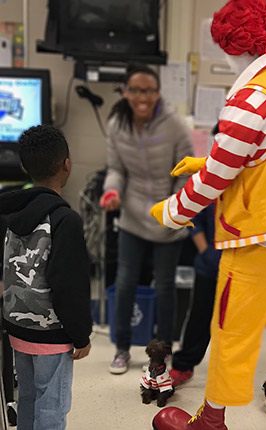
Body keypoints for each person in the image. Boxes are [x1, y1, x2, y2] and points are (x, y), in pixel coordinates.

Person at [150, 1, 266, 429]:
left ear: (237, 44)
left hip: (259, 242)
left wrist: (173, 212)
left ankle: (211, 421)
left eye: (225, 47)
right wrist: (210, 162)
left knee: (232, 333)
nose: (225, 58)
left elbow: (214, 180)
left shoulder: (254, 96)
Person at [100, 64, 193, 375]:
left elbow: (186, 173)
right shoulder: (116, 124)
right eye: (136, 90)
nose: (143, 97)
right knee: (125, 283)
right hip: (133, 218)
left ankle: (162, 351)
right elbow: (116, 169)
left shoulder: (175, 126)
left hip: (168, 218)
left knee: (165, 286)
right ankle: (122, 349)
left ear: (158, 93)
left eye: (150, 90)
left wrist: (175, 209)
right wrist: (112, 192)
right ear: (125, 92)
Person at [0, 125, 92, 430]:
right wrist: (80, 334)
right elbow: (69, 284)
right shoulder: (65, 220)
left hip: (16, 327)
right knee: (52, 405)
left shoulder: (9, 212)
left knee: (26, 396)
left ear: (24, 167)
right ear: (67, 164)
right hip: (52, 335)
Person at [170, 125, 222, 388]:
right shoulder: (206, 178)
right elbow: (195, 220)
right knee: (200, 317)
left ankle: (227, 374)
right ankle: (183, 366)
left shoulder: (251, 178)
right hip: (210, 265)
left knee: (234, 325)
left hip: (244, 267)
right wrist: (207, 253)